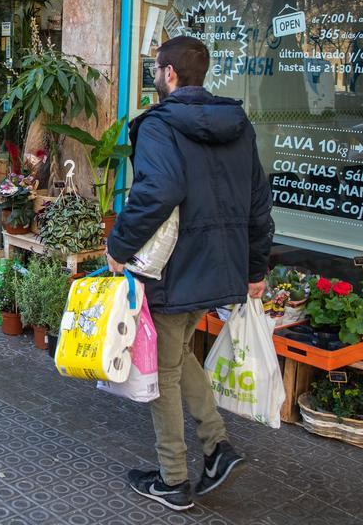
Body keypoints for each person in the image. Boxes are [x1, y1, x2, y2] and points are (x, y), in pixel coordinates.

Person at [105, 35, 273, 512]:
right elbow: (260, 204)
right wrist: (254, 267)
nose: (156, 77)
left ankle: (173, 478)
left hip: (174, 271)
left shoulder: (159, 126)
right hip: (220, 270)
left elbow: (158, 191)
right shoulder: (239, 126)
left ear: (170, 74)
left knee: (161, 368)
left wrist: (119, 246)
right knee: (177, 355)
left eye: (157, 70)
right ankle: (218, 448)